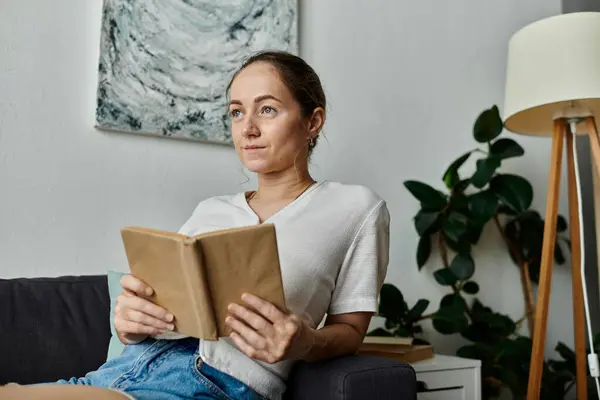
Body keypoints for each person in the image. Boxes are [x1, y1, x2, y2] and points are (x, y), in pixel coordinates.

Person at [4, 50, 390, 400]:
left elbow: (350, 331)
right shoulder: (210, 210)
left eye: (267, 110)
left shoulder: (355, 208)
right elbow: (163, 306)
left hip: (213, 384)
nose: (248, 128)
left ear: (313, 121)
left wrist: (304, 342)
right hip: (124, 369)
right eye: (237, 112)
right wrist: (129, 321)